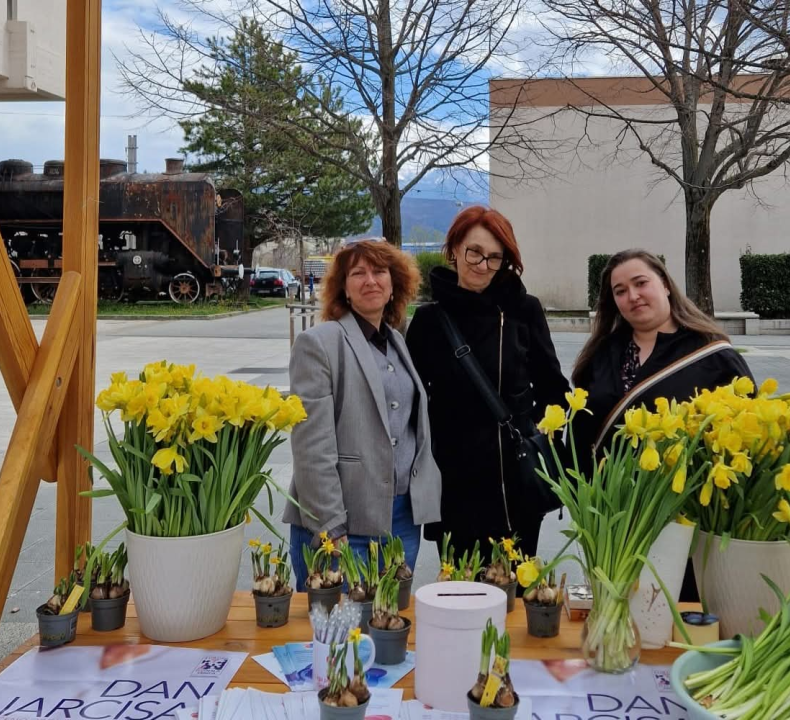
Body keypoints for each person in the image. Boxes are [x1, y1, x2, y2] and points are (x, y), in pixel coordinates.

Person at [569, 249, 753, 601]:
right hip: (613, 520)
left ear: (665, 285)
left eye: (641, 283)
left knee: (675, 608)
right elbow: (582, 429)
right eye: (620, 291)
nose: (632, 296)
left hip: (685, 519)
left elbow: (743, 438)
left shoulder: (713, 357)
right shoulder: (602, 354)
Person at [406, 206, 569, 560]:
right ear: (454, 251)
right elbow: (412, 399)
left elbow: (553, 388)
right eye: (475, 252)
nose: (482, 265)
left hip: (515, 477)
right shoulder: (429, 319)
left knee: (514, 590)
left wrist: (542, 444)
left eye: (495, 258)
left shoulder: (524, 310)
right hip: (455, 477)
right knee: (460, 592)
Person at [282, 240, 440, 589]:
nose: (371, 280)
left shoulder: (397, 341)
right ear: (344, 289)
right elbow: (311, 445)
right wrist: (329, 524)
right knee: (336, 638)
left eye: (380, 271)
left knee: (387, 629)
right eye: (358, 273)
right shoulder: (319, 343)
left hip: (401, 523)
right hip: (341, 526)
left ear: (394, 282)